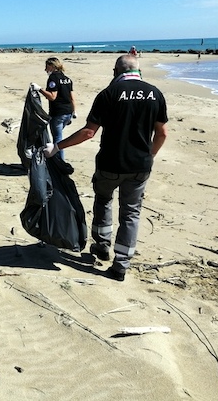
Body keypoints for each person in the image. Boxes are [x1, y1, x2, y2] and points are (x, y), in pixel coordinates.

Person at [43, 55, 168, 281]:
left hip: (110, 163)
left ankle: (101, 245)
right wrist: (149, 156)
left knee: (103, 200)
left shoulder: (108, 94)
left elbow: (89, 132)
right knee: (131, 213)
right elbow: (162, 133)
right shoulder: (155, 94)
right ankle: (121, 264)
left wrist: (57, 147)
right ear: (138, 71)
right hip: (139, 166)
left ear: (115, 71)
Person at [30, 57, 76, 160]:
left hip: (58, 113)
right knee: (58, 136)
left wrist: (39, 89)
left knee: (58, 140)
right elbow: (72, 97)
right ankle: (57, 159)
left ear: (51, 66)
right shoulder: (67, 79)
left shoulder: (53, 78)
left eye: (46, 67)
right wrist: (73, 111)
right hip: (68, 112)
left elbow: (52, 96)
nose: (45, 70)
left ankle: (60, 163)